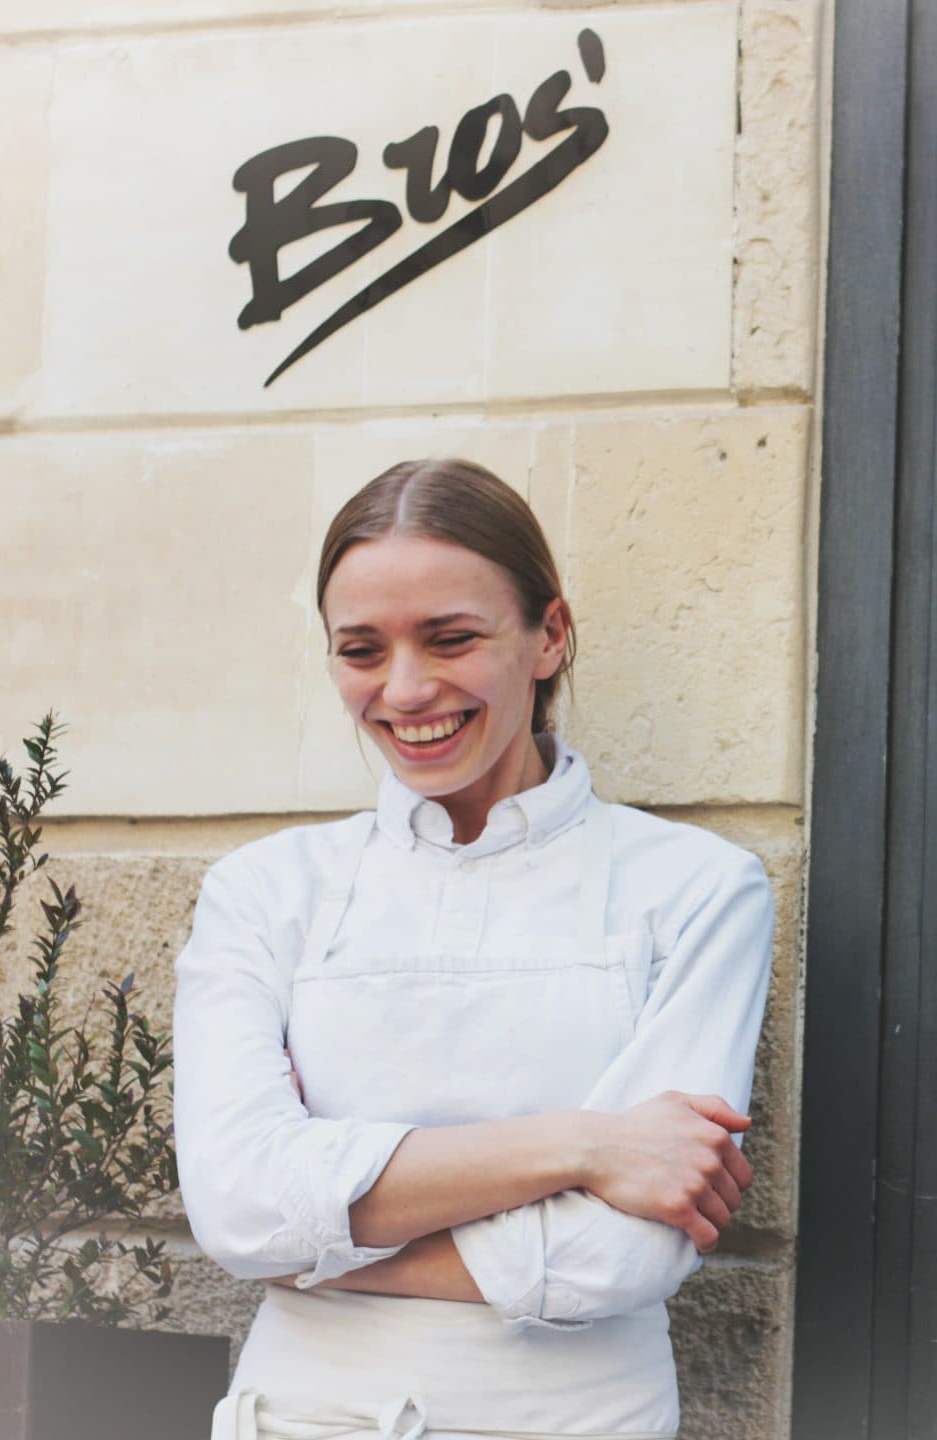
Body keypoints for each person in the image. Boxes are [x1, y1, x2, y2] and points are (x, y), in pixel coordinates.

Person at [172, 459, 775, 1440]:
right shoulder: (266, 891)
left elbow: (618, 1259)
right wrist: (583, 1144)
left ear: (551, 636)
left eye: (451, 639)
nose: (406, 690)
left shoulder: (698, 888)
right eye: (361, 650)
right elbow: (239, 1207)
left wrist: (316, 1239)